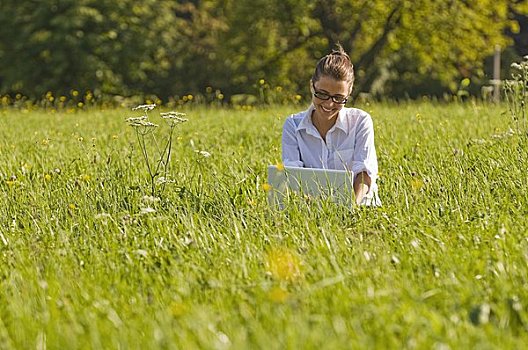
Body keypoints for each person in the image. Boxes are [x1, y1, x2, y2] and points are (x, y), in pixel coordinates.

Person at [281, 44, 381, 206]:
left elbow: (364, 174)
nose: (329, 104)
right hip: (311, 208)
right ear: (311, 86)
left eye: (338, 98)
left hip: (360, 207)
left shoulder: (360, 121)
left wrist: (350, 208)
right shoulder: (293, 126)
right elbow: (291, 175)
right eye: (322, 94)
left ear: (349, 94)